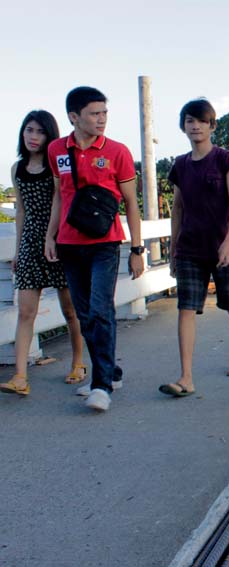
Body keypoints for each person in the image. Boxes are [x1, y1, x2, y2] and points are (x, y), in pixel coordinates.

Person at [44, 86, 145, 412]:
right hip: (70, 245)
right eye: (94, 114)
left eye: (104, 113)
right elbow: (60, 196)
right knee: (85, 314)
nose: (102, 119)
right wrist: (51, 236)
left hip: (105, 243)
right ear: (74, 117)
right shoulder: (57, 150)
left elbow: (131, 204)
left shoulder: (117, 152)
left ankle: (101, 386)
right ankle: (109, 371)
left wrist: (137, 248)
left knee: (101, 310)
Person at [159, 99, 229, 398]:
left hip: (223, 247)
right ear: (183, 126)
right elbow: (177, 209)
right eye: (189, 121)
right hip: (189, 249)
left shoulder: (225, 160)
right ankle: (186, 377)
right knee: (185, 308)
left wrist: (228, 241)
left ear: (212, 125)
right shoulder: (181, 166)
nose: (195, 126)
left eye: (201, 121)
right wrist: (173, 250)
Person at [0, 111, 85, 397]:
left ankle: (78, 362)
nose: (33, 137)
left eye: (39, 131)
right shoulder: (17, 168)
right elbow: (21, 210)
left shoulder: (55, 164)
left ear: (50, 135)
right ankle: (20, 376)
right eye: (28, 130)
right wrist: (18, 249)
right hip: (30, 244)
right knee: (26, 312)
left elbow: (62, 200)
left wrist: (53, 237)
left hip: (59, 240)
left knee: (71, 310)